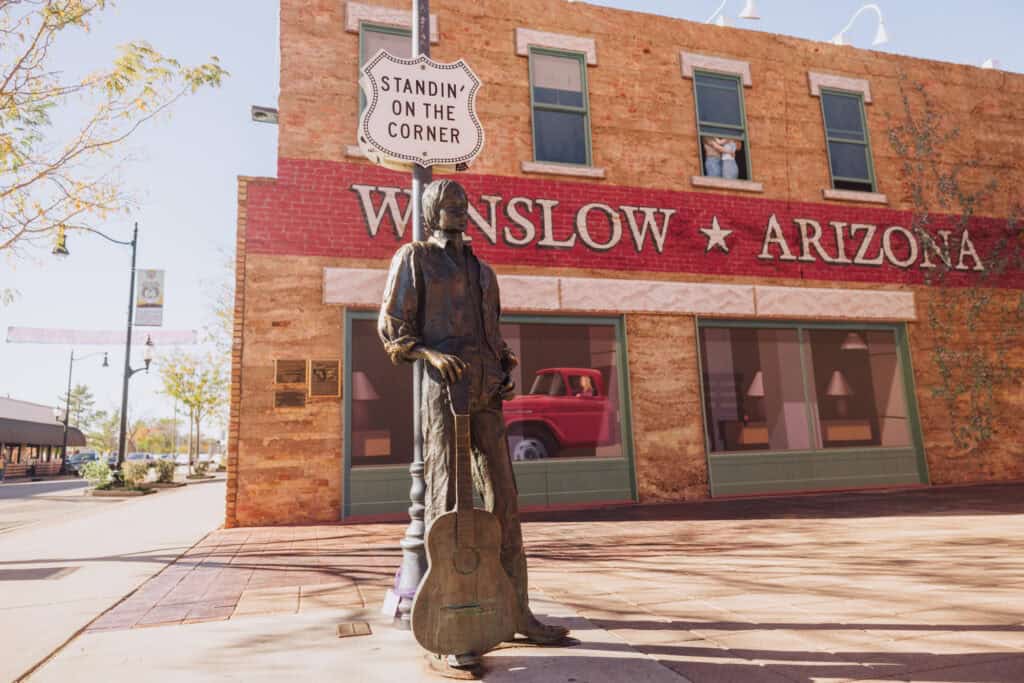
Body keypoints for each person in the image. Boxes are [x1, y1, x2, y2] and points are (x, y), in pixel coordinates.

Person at [378, 179, 570, 665]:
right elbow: (393, 330)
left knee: (504, 497)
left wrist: (506, 367)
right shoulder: (415, 258)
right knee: (449, 497)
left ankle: (517, 611)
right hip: (445, 393)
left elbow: (494, 334)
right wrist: (429, 355)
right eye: (448, 203)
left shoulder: (484, 272)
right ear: (430, 209)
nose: (458, 210)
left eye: (463, 203)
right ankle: (453, 625)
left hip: (487, 392)